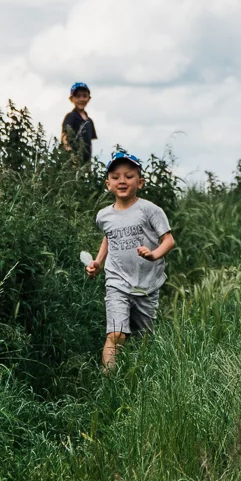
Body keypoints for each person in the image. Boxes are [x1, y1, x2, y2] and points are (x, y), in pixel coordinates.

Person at [85, 151, 174, 371]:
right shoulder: (103, 215)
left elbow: (169, 240)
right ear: (108, 184)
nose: (122, 181)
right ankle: (109, 387)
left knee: (145, 341)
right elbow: (109, 237)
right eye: (115, 177)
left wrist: (153, 255)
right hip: (117, 281)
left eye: (129, 176)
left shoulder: (150, 210)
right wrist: (97, 262)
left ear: (140, 182)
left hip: (146, 285)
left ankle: (143, 381)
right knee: (116, 334)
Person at [61, 82, 98, 164]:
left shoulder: (89, 121)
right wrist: (71, 156)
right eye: (78, 96)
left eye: (84, 96)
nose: (81, 99)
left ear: (89, 98)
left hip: (85, 162)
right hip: (73, 161)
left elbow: (89, 143)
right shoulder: (71, 117)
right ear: (72, 99)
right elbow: (64, 137)